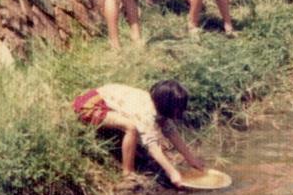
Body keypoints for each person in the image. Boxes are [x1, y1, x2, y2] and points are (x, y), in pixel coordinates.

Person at [72, 80, 205, 187]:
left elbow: (172, 133)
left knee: (135, 126)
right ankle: (127, 174)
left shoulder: (157, 105)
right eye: (178, 109)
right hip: (89, 105)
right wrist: (172, 173)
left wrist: (192, 160)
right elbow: (153, 147)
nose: (180, 112)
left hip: (102, 100)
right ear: (167, 106)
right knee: (131, 127)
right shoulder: (146, 113)